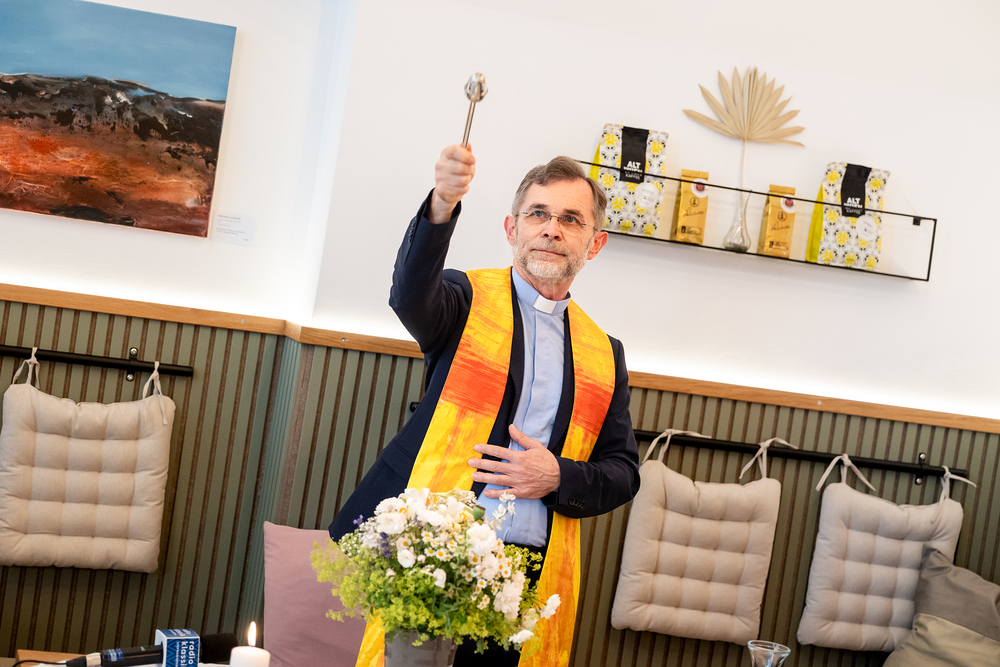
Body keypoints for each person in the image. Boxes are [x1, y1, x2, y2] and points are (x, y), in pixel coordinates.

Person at [329, 145, 640, 666]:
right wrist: (442, 203)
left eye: (570, 219)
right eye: (537, 214)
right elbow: (409, 295)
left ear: (596, 242)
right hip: (437, 554)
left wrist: (558, 476)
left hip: (530, 574)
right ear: (511, 228)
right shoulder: (464, 298)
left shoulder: (605, 354)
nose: (551, 229)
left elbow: (623, 472)